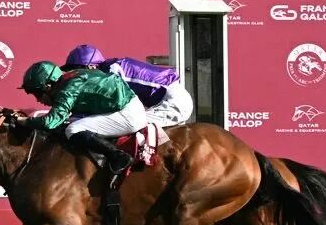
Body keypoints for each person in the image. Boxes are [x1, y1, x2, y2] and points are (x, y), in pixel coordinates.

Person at [15, 61, 147, 174]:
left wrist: (23, 121)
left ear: (48, 86)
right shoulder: (71, 77)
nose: (38, 100)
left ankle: (118, 156)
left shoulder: (68, 89)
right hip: (124, 106)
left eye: (38, 94)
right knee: (69, 125)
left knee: (73, 130)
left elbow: (50, 122)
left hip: (128, 115)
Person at [63, 44, 194, 128]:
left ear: (91, 66)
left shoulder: (111, 72)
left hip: (172, 101)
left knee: (123, 125)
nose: (76, 75)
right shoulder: (109, 68)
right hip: (168, 97)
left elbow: (109, 107)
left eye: (77, 70)